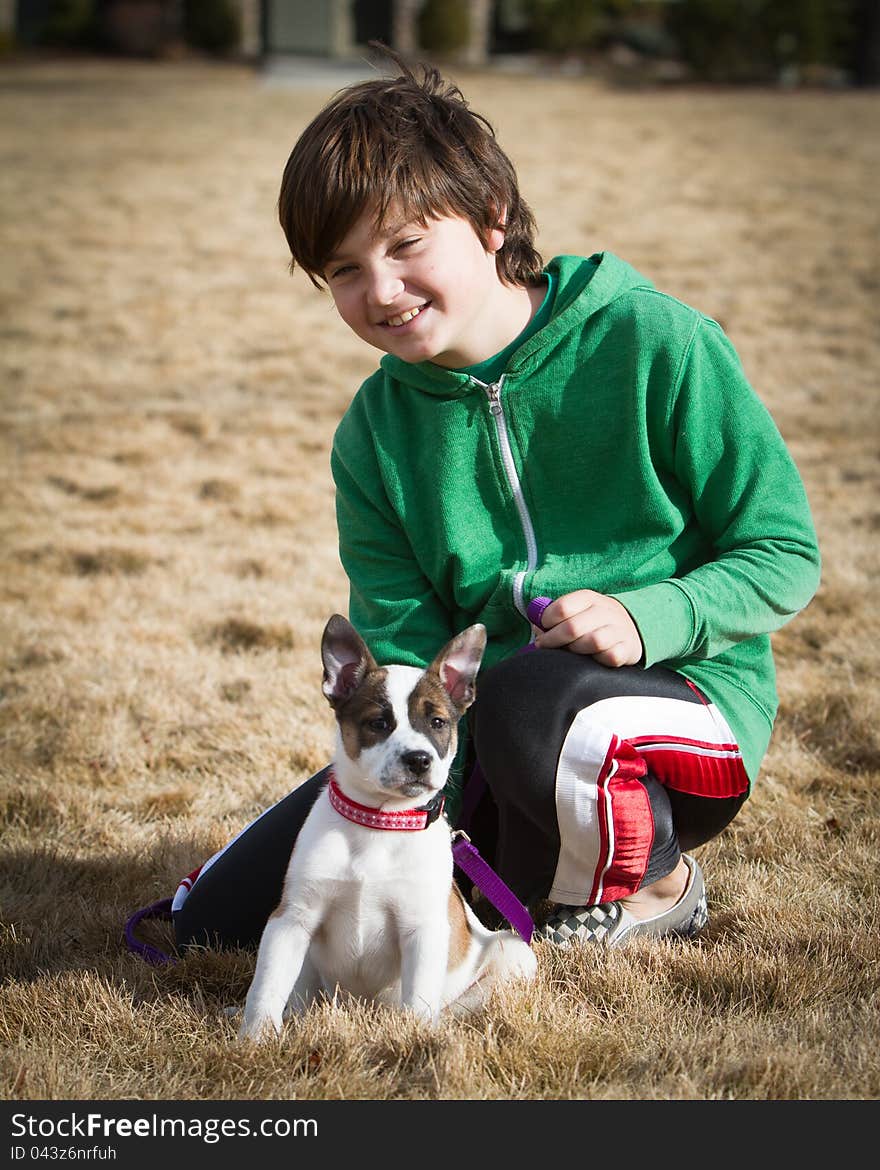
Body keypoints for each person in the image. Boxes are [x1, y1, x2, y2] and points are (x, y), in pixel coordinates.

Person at [173, 50, 820, 954]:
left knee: (530, 700)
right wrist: (411, 819)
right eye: (345, 271)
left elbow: (783, 554)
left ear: (491, 218)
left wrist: (648, 617)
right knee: (215, 924)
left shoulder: (655, 341)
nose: (382, 292)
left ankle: (658, 880)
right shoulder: (374, 432)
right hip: (485, 748)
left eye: (405, 245)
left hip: (679, 711)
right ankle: (523, 874)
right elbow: (402, 655)